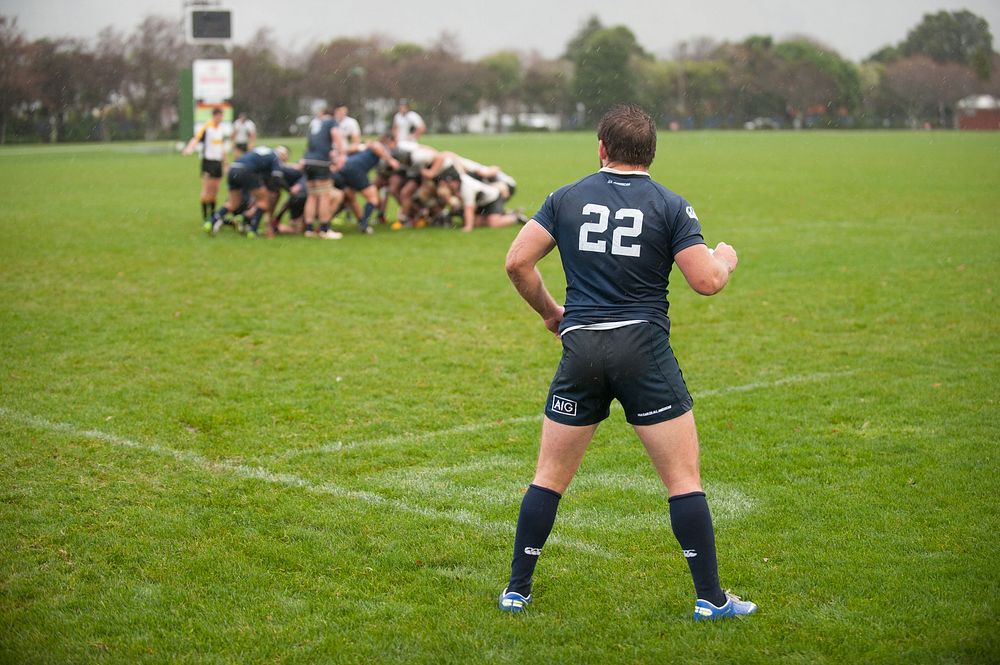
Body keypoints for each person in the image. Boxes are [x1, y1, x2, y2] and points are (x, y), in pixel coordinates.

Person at [498, 104, 757, 621]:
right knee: (683, 479)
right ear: (652, 154)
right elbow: (705, 280)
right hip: (643, 351)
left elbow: (516, 261)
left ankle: (516, 589)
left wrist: (552, 313)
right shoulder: (669, 204)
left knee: (549, 475)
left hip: (583, 349)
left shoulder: (564, 197)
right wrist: (725, 258)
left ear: (601, 148)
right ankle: (710, 598)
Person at [207, 145, 284, 239]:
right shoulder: (275, 157)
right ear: (281, 154)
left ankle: (211, 221)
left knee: (232, 203)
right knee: (263, 201)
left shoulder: (259, 150)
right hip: (246, 171)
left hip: (234, 168)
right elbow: (277, 177)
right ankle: (252, 231)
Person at [332, 135, 400, 234]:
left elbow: (351, 149)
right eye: (395, 143)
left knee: (350, 197)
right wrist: (390, 160)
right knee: (373, 198)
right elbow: (376, 146)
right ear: (390, 141)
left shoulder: (367, 146)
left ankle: (359, 222)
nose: (395, 146)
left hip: (346, 168)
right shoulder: (379, 145)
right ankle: (363, 224)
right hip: (356, 169)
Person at [301, 107, 346, 240]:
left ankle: (308, 229)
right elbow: (335, 135)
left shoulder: (315, 123)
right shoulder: (331, 122)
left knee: (312, 195)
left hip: (308, 160)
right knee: (324, 195)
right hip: (321, 162)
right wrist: (341, 154)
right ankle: (325, 229)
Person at [182, 107, 229, 230]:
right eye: (219, 116)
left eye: (222, 116)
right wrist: (189, 148)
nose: (220, 118)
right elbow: (196, 138)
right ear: (215, 116)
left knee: (215, 190)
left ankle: (213, 215)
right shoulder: (207, 127)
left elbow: (222, 147)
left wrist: (226, 163)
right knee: (207, 190)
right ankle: (205, 217)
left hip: (218, 162)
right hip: (208, 162)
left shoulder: (220, 129)